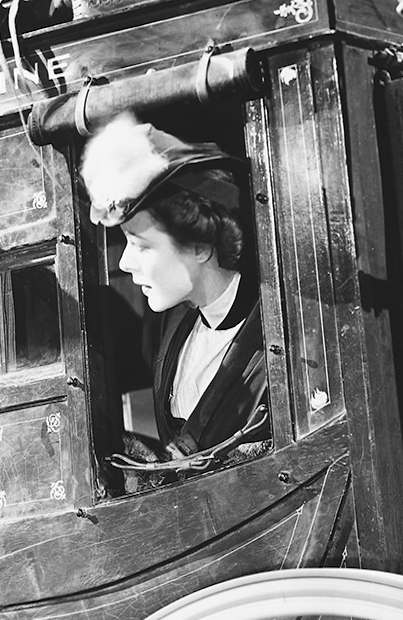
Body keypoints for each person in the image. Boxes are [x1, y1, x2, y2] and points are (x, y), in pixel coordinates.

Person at [80, 113, 268, 466]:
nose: (124, 264)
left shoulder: (273, 336)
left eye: (141, 246)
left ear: (200, 245)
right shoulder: (165, 325)